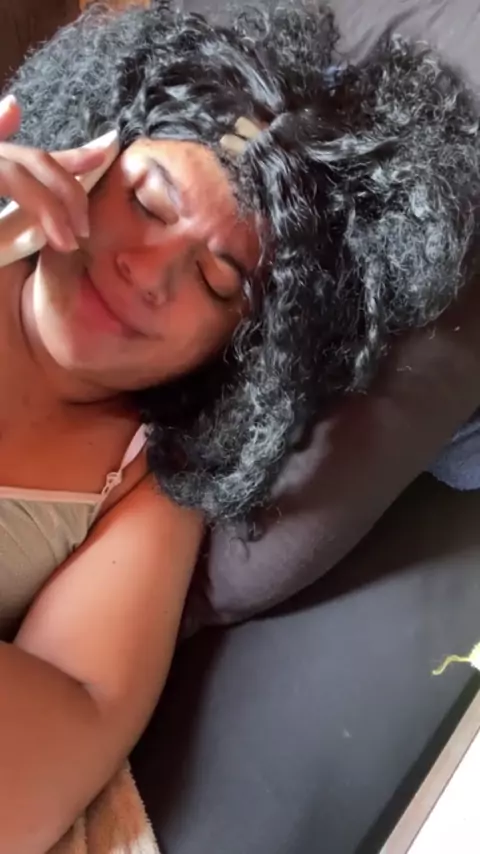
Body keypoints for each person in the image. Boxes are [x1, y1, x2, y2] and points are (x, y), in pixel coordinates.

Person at [1, 0, 480, 850]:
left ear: (243, 352)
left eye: (217, 281)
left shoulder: (148, 487)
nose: (149, 273)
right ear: (91, 156)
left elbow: (47, 761)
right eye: (150, 203)